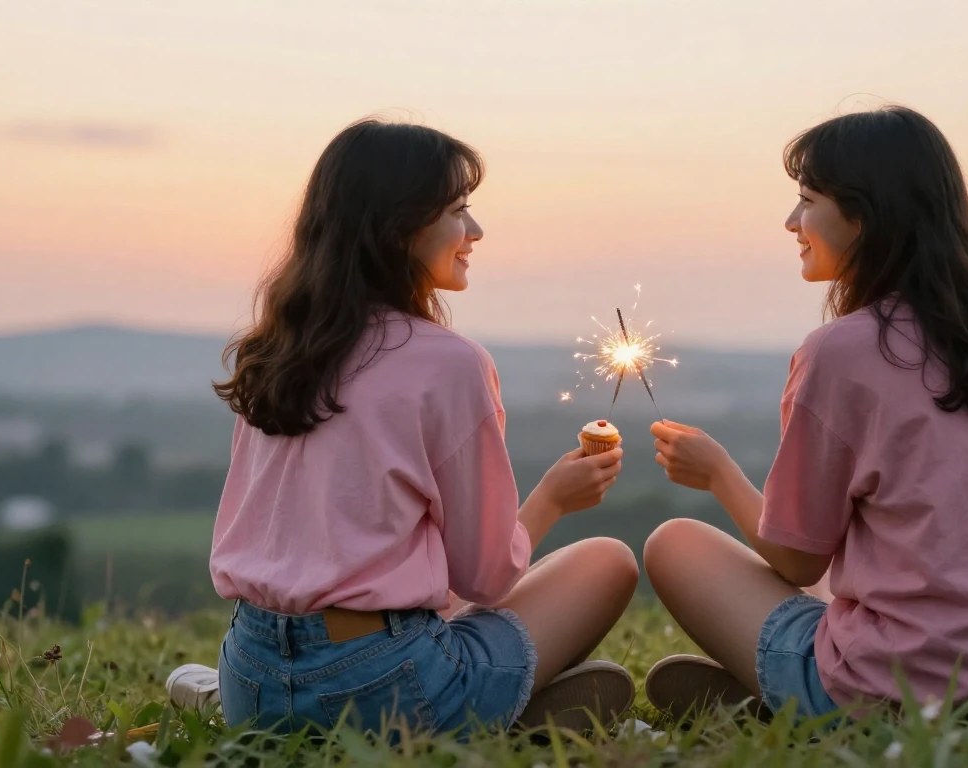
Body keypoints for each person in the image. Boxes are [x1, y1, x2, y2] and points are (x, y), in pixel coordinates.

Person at [177, 119, 639, 739]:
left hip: (251, 670)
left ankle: (224, 697)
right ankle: (501, 716)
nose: (474, 232)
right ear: (398, 229)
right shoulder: (449, 362)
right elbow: (484, 578)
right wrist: (554, 497)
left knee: (420, 603)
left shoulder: (280, 350)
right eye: (457, 211)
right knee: (608, 563)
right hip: (382, 683)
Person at [641, 106, 968, 721]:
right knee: (836, 585)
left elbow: (796, 560)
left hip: (899, 691)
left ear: (865, 215)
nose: (792, 221)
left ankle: (798, 701)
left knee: (674, 544)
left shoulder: (843, 351)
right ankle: (764, 697)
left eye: (808, 200)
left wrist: (717, 473)